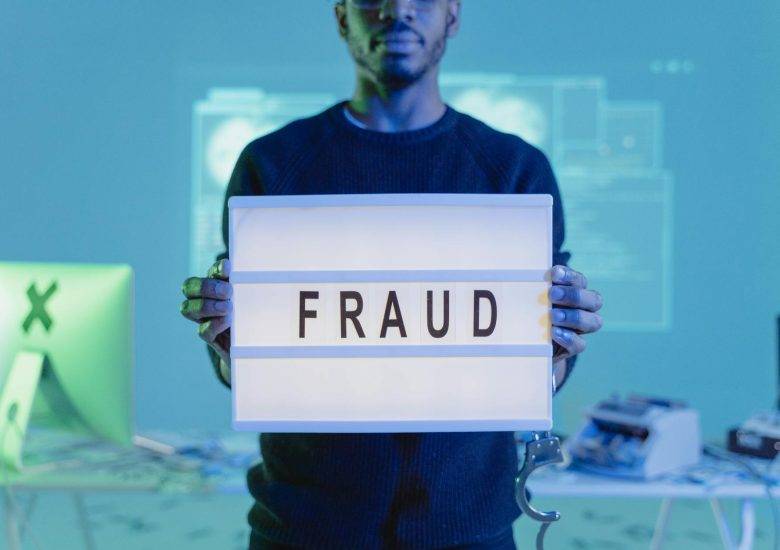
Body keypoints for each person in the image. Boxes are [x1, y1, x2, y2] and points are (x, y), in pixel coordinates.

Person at [181, 0, 604, 548]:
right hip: (304, 526)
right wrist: (226, 341)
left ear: (452, 16)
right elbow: (243, 367)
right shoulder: (274, 163)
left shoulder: (514, 170)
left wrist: (558, 349)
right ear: (342, 18)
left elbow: (545, 366)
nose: (398, 11)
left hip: (466, 528)